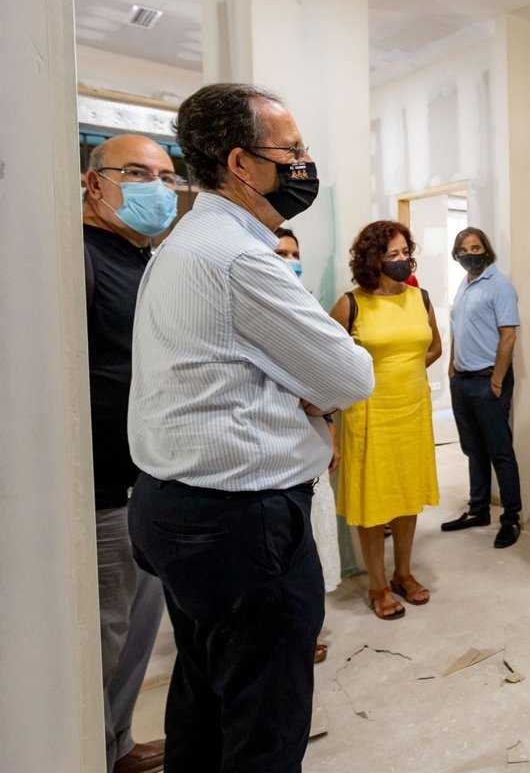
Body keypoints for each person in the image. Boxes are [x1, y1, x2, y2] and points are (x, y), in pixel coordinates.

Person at [126, 83, 375, 773]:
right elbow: (350, 376)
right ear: (241, 163)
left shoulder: (183, 243)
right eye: (291, 151)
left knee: (204, 694)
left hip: (178, 509)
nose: (304, 163)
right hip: (242, 523)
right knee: (266, 719)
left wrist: (299, 386)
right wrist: (311, 393)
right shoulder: (239, 259)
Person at [82, 133, 176, 773]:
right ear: (95, 184)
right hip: (104, 487)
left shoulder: (146, 262)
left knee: (138, 630)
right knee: (104, 635)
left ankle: (115, 743)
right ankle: (89, 749)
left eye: (167, 178)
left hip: (151, 477)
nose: (158, 189)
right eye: (138, 174)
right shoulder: (80, 257)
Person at [331, 220, 441, 620]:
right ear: (371, 259)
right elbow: (327, 361)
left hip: (412, 411)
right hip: (369, 417)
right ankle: (377, 585)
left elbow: (434, 347)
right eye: (391, 253)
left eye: (405, 252)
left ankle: (403, 574)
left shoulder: (420, 298)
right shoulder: (351, 304)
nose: (401, 259)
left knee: (407, 496)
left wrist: (405, 371)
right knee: (375, 503)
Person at [274, 226, 341, 664]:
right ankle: (285, 634)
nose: (290, 261)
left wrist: (329, 429)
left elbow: (327, 378)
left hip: (310, 439)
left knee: (312, 542)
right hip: (274, 449)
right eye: (280, 253)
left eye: (294, 253)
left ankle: (305, 627)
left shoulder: (307, 305)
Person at [441, 227, 523, 548]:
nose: (469, 254)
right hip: (462, 381)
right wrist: (452, 368)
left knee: (500, 452)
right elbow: (457, 329)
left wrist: (497, 380)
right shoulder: (464, 285)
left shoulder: (499, 285)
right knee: (473, 449)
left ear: (486, 250)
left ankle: (511, 517)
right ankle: (478, 510)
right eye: (463, 249)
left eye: (475, 248)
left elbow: (508, 336)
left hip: (488, 381)